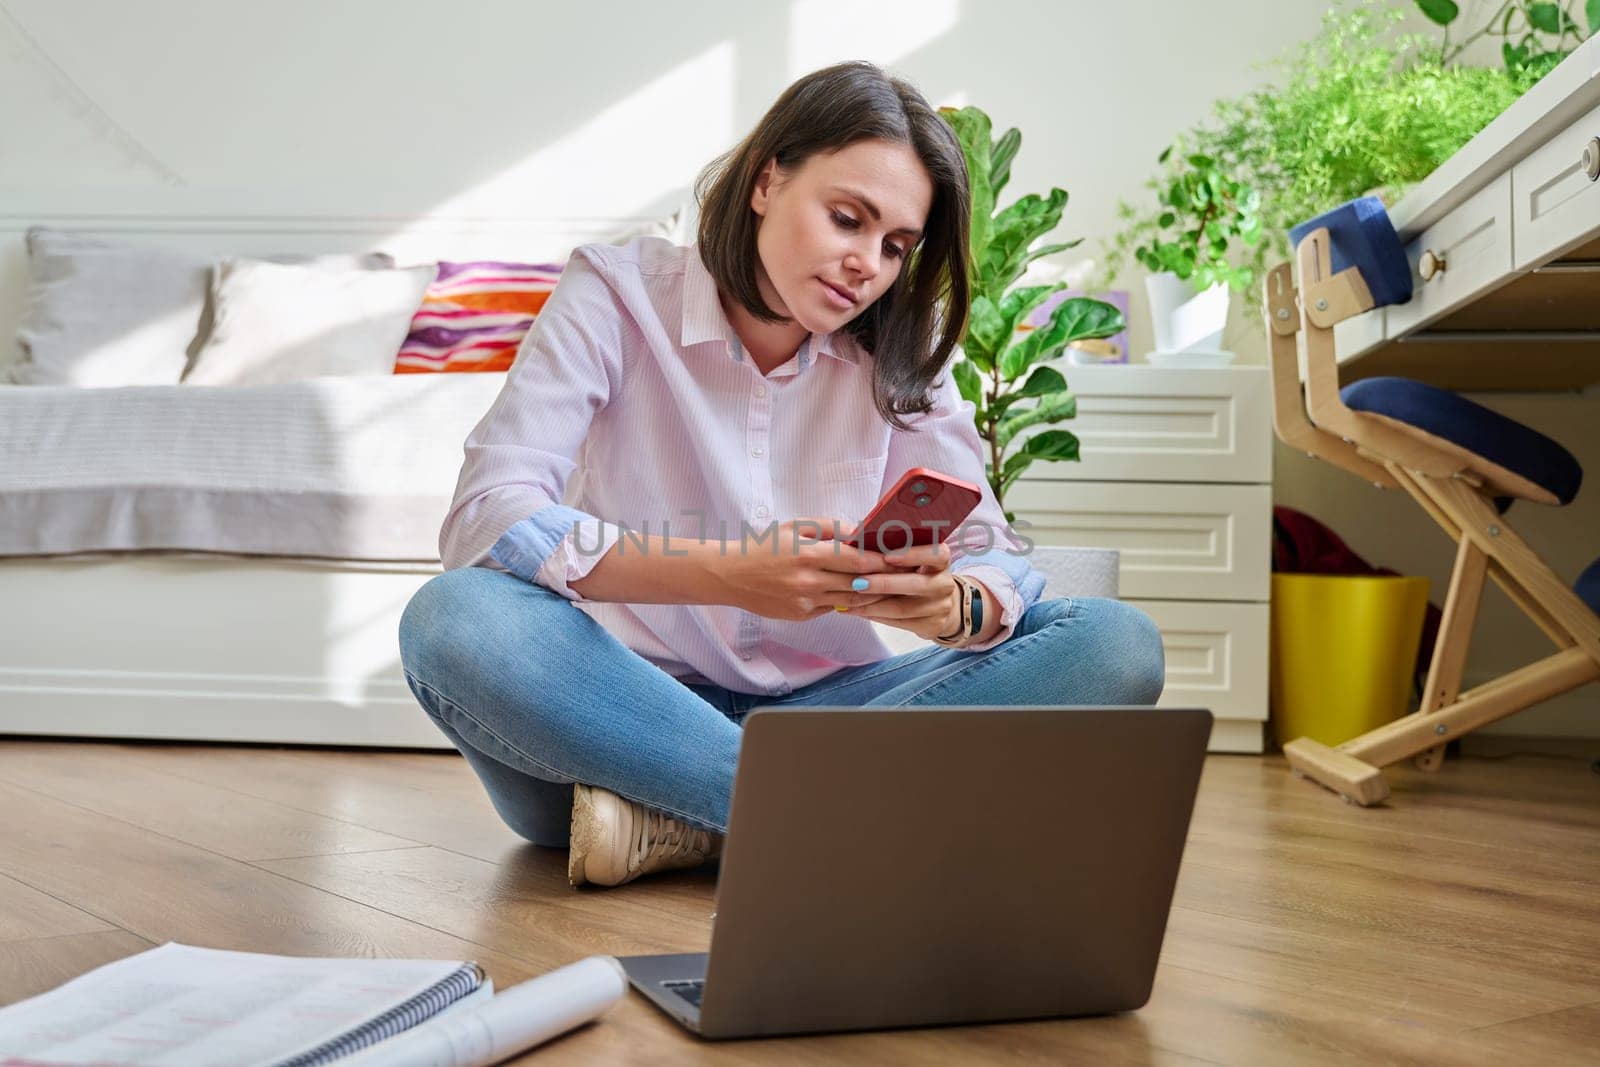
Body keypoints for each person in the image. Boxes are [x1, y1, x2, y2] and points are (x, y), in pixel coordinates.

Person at [398, 60, 1165, 890]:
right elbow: (489, 510)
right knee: (455, 618)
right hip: (615, 717)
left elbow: (988, 544)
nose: (867, 264)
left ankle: (693, 823)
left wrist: (956, 605)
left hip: (828, 716)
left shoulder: (900, 343)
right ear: (767, 180)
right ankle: (821, 817)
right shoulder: (615, 295)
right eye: (847, 219)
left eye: (895, 246)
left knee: (1117, 644)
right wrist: (730, 574)